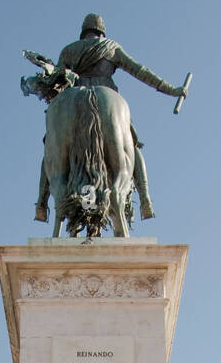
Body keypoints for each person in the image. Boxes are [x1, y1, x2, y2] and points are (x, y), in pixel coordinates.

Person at [27, 14, 186, 223]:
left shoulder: (68, 51)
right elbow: (140, 71)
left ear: (83, 32)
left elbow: (58, 81)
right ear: (101, 31)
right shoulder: (111, 47)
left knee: (51, 148)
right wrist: (172, 90)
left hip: (71, 103)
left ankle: (41, 204)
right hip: (108, 99)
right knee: (132, 146)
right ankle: (146, 201)